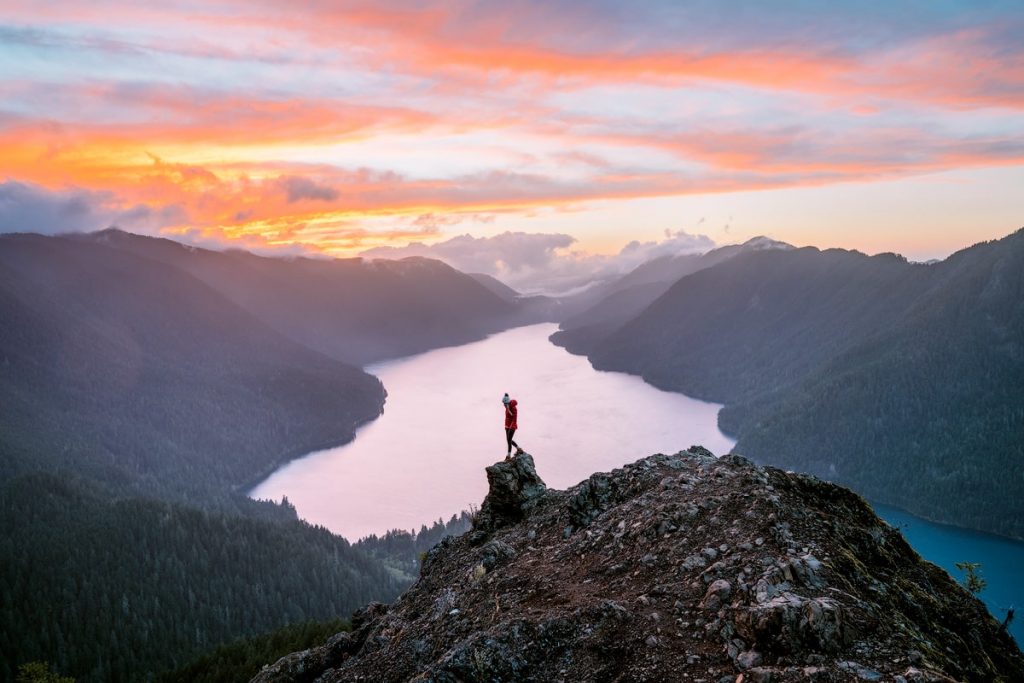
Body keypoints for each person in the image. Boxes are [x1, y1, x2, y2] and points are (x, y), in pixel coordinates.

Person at [503, 393, 523, 459]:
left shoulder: (514, 408)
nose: (504, 405)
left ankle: (509, 455)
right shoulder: (507, 408)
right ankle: (518, 449)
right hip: (507, 426)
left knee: (509, 440)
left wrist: (512, 427)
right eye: (503, 404)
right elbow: (507, 417)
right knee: (508, 440)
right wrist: (506, 426)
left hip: (512, 426)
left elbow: (514, 419)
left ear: (507, 403)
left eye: (505, 404)